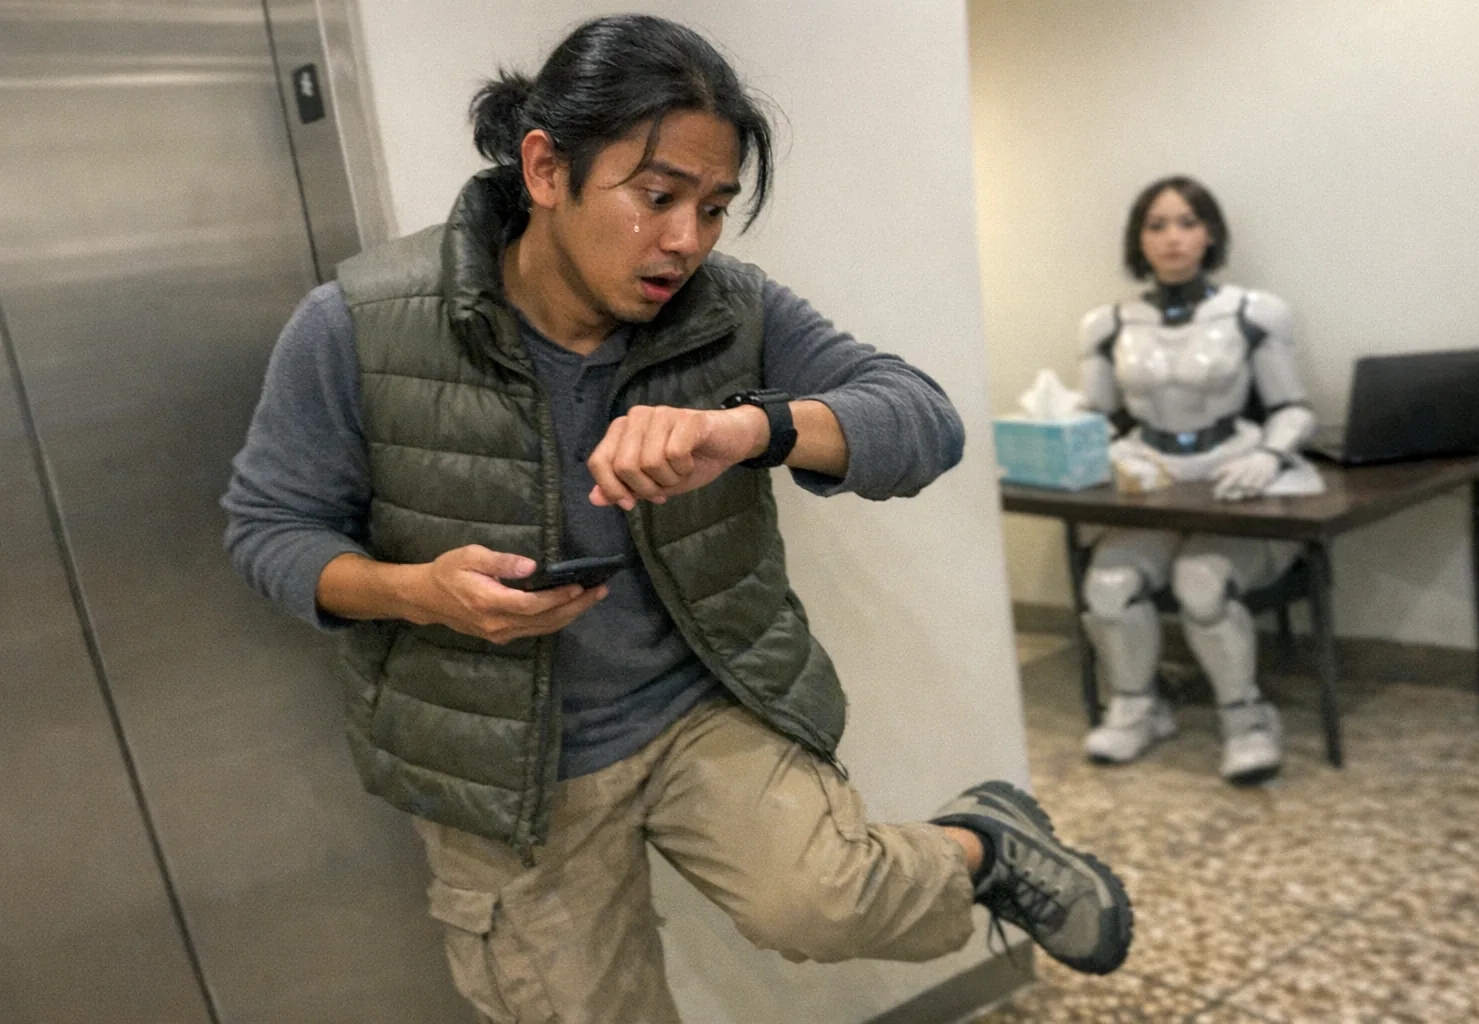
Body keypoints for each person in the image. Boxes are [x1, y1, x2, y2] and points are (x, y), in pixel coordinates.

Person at [223, 15, 1133, 1022]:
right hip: (499, 761)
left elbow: (924, 422)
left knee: (821, 901)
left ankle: (983, 846)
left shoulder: (730, 309)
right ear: (546, 169)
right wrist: (418, 593)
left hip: (702, 701)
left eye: (713, 208)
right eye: (656, 198)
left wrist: (752, 429)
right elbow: (270, 527)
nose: (685, 241)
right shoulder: (358, 324)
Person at [1077, 175, 1317, 785]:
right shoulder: (1106, 325)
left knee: (1201, 582)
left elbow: (1293, 408)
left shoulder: (1253, 313)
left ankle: (1247, 718)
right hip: (1153, 476)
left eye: (1187, 222)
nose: (1173, 238)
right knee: (1108, 585)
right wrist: (1094, 450)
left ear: (1210, 233)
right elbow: (1093, 418)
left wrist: (1270, 454)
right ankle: (1136, 707)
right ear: (1139, 239)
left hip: (1232, 473)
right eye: (1156, 225)